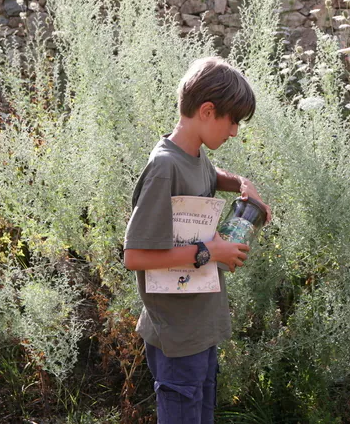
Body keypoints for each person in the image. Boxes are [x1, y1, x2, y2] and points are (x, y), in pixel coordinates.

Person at [123, 56, 271, 423]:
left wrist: (237, 184)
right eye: (232, 120)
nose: (235, 131)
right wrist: (211, 251)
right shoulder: (163, 167)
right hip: (176, 332)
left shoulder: (193, 154)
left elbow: (204, 171)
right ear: (207, 110)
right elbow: (135, 256)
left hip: (198, 324)